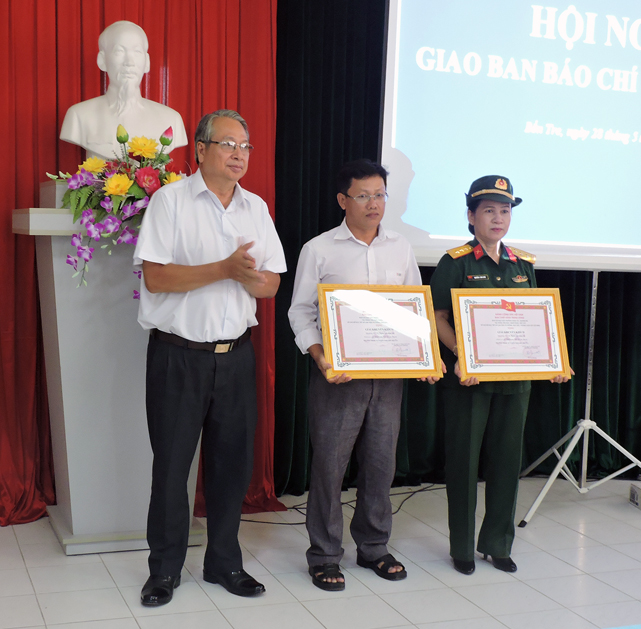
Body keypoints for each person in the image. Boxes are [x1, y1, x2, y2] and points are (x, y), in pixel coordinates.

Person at [133, 109, 285, 606]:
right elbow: (156, 277)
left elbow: (272, 282)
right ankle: (164, 571)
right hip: (179, 357)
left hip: (236, 356)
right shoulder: (170, 201)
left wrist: (247, 278)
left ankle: (224, 562)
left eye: (246, 146)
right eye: (228, 144)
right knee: (172, 468)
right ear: (200, 149)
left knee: (230, 467)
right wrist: (224, 268)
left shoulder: (255, 207)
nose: (240, 154)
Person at [289, 159, 440, 591]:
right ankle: (323, 555)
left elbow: (414, 307)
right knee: (329, 468)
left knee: (380, 465)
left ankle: (374, 547)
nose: (374, 204)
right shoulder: (319, 249)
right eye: (364, 195)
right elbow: (300, 311)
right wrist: (320, 357)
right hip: (338, 377)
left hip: (389, 378)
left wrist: (425, 355)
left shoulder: (400, 247)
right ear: (343, 200)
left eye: (380, 194)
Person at [430, 175, 571, 575]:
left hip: (515, 382)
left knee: (507, 463)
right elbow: (438, 316)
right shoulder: (454, 262)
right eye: (489, 210)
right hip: (469, 382)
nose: (498, 218)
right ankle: (461, 547)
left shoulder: (522, 264)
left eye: (504, 211)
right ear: (471, 216)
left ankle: (497, 543)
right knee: (463, 463)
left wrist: (556, 361)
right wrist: (462, 354)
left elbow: (538, 322)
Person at [60, 21, 187, 158]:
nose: (129, 62)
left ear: (147, 62)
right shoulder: (79, 115)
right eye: (119, 51)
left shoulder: (171, 120)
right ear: (102, 60)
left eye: (137, 52)